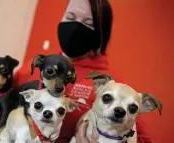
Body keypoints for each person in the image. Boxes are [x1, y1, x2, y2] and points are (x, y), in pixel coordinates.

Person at [14, 0, 152, 142]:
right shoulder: (32, 67)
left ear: (101, 33)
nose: (75, 27)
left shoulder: (111, 86)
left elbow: (142, 139)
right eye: (70, 17)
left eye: (88, 23)